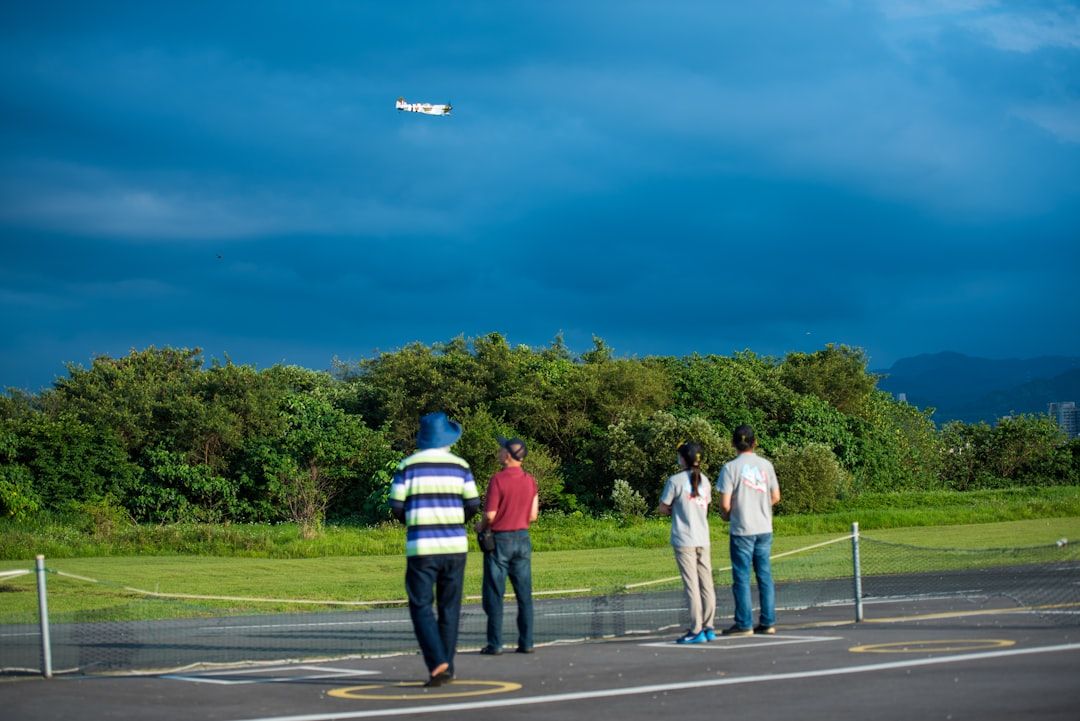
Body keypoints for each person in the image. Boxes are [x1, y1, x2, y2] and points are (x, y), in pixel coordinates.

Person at [389, 411, 481, 687]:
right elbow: (473, 504)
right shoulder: (461, 465)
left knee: (421, 605)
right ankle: (447, 665)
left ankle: (437, 661)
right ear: (447, 439)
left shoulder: (407, 465)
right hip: (455, 546)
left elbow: (396, 506)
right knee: (450, 607)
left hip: (422, 546)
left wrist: (414, 521)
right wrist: (456, 521)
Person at [476, 437, 539, 655]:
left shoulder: (498, 480)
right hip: (522, 538)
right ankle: (527, 642)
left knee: (495, 593)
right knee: (524, 595)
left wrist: (480, 526)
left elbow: (490, 515)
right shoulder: (530, 480)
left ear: (509, 455)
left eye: (502, 449)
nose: (499, 452)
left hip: (500, 540)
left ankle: (495, 644)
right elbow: (533, 515)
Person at [718, 424, 781, 636]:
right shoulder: (766, 465)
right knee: (764, 575)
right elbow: (776, 496)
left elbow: (725, 504)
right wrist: (760, 506)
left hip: (742, 528)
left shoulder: (730, 468)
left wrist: (728, 515)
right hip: (764, 527)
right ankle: (768, 621)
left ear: (733, 443)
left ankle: (744, 623)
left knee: (742, 577)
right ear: (755, 442)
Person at [657, 441, 716, 644]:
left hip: (684, 538)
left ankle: (696, 629)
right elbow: (705, 505)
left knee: (692, 586)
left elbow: (663, 507)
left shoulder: (675, 481)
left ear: (683, 459)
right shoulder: (705, 481)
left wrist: (675, 509)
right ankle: (709, 626)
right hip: (703, 537)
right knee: (706, 584)